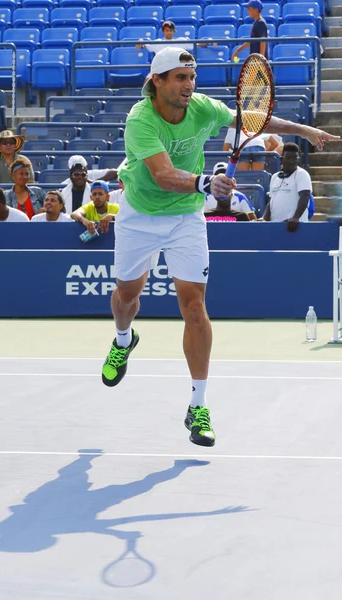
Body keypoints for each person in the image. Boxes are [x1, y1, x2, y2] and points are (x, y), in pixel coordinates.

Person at [99, 46, 338, 448]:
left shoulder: (204, 108)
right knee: (127, 294)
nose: (188, 85)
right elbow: (161, 175)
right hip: (140, 214)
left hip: (186, 219)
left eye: (191, 78)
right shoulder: (140, 119)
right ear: (157, 82)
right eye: (179, 78)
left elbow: (254, 120)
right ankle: (124, 339)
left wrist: (306, 131)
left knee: (194, 306)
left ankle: (198, 405)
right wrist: (203, 183)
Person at [263, 142, 312, 232]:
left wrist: (295, 218)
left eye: (295, 158)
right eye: (289, 158)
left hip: (294, 226)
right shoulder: (274, 177)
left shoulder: (301, 174)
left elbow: (305, 196)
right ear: (282, 159)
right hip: (276, 226)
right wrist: (264, 218)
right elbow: (271, 200)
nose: (292, 161)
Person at [136, 20, 215, 53]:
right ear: (163, 32)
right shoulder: (158, 42)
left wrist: (209, 40)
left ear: (174, 31)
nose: (169, 32)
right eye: (167, 30)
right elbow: (142, 45)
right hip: (162, 69)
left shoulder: (181, 41)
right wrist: (140, 41)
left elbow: (198, 44)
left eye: (171, 30)